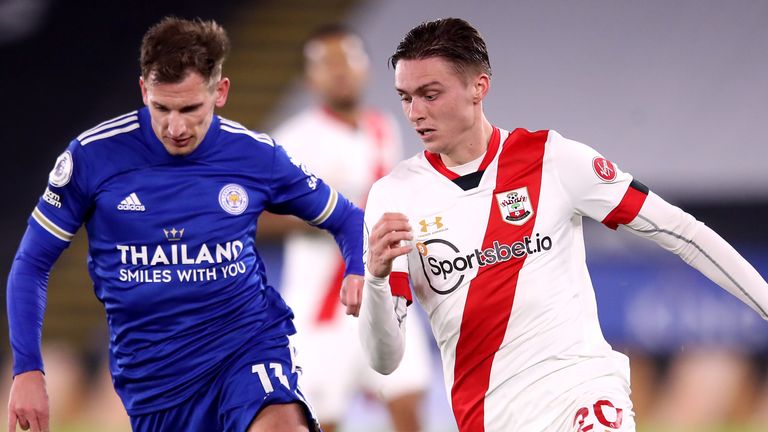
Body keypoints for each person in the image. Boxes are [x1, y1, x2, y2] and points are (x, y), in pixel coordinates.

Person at [358, 17, 768, 431]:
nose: (415, 113)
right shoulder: (394, 197)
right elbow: (385, 361)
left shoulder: (553, 161)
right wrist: (375, 279)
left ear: (478, 87)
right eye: (405, 97)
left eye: (430, 95)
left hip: (583, 393)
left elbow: (683, 233)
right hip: (488, 417)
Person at [6, 17, 364, 432]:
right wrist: (27, 369)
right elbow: (31, 264)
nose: (175, 127)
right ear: (144, 90)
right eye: (161, 107)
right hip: (155, 379)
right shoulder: (92, 158)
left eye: (191, 108)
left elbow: (348, 217)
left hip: (246, 347)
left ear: (220, 91)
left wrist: (357, 269)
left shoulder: (255, 156)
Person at [265, 24, 431, 432]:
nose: (340, 70)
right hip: (322, 304)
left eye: (349, 58)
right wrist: (325, 216)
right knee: (323, 422)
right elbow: (255, 216)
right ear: (309, 77)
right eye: (327, 63)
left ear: (367, 68)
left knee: (408, 405)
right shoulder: (292, 140)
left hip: (381, 289)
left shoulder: (385, 127)